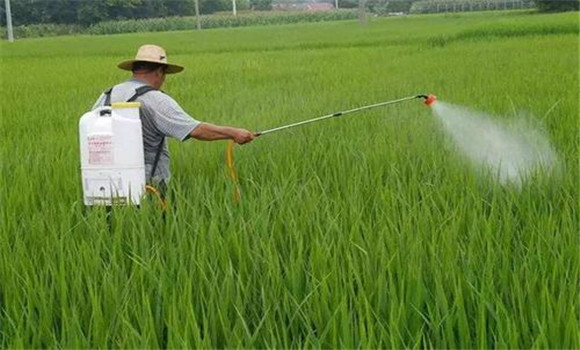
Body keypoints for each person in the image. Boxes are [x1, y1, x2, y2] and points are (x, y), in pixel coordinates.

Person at [92, 44, 256, 198]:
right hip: (147, 184)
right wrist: (234, 133)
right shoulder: (156, 99)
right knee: (152, 224)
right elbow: (195, 130)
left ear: (135, 70)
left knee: (113, 225)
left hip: (102, 181)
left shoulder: (107, 95)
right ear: (159, 72)